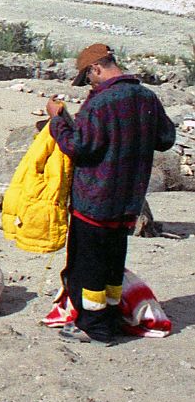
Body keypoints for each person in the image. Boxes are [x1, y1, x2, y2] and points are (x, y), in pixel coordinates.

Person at [46, 43, 175, 345]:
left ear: (97, 69)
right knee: (113, 262)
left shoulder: (100, 103)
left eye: (88, 77)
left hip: (94, 199)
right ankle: (112, 317)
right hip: (129, 200)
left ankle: (93, 326)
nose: (89, 83)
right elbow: (166, 139)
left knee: (87, 265)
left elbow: (80, 147)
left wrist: (57, 121)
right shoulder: (147, 97)